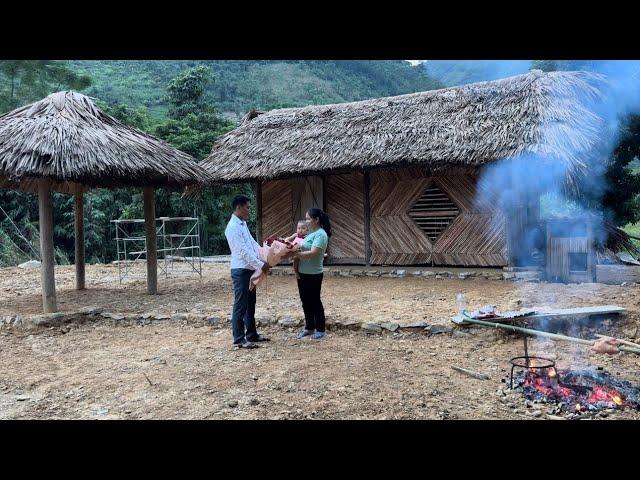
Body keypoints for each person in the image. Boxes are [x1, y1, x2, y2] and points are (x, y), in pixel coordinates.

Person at [224, 194, 271, 349]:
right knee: (241, 303)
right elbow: (242, 251)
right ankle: (238, 338)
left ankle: (251, 334)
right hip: (241, 270)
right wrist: (260, 264)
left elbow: (252, 243)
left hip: (250, 269)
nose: (249, 210)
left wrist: (266, 255)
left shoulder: (242, 225)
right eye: (247, 207)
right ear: (239, 207)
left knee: (250, 303)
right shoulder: (232, 227)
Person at [291, 208, 331, 340]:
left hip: (314, 274)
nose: (307, 221)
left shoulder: (321, 234)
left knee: (314, 301)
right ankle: (309, 327)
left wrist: (296, 254)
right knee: (305, 301)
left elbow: (314, 252)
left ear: (316, 220)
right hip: (303, 273)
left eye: (308, 219)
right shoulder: (310, 234)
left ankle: (320, 329)